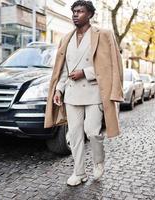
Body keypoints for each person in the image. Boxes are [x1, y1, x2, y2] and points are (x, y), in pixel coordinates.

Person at [44, 0, 124, 186]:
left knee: (92, 131)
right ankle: (79, 172)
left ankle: (98, 160)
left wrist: (85, 73)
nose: (75, 14)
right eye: (74, 11)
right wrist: (59, 89)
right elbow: (62, 69)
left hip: (94, 91)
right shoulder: (66, 39)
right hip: (71, 94)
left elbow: (111, 65)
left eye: (80, 11)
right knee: (74, 135)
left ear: (90, 15)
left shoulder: (103, 35)